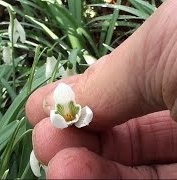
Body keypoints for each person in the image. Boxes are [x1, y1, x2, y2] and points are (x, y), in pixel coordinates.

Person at [25, 0, 177, 178]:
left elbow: (85, 114)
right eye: (65, 114)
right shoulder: (71, 116)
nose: (68, 114)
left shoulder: (83, 113)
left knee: (65, 159)